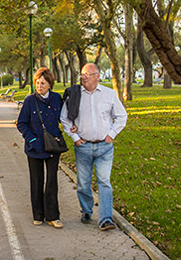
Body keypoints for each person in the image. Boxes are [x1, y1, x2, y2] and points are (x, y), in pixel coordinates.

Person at [60, 63, 128, 231]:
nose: (84, 77)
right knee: (83, 183)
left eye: (88, 74)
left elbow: (121, 116)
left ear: (97, 76)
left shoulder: (109, 94)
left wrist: (111, 135)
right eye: (82, 74)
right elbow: (65, 118)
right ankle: (86, 210)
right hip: (83, 146)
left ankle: (105, 219)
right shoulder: (74, 94)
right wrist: (75, 137)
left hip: (104, 147)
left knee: (104, 182)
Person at [16, 67, 65, 228]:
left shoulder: (57, 99)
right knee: (36, 181)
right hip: (34, 147)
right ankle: (38, 215)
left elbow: (64, 119)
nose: (39, 85)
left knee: (52, 181)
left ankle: (53, 215)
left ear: (50, 84)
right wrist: (32, 139)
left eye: (43, 83)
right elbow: (21, 123)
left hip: (52, 147)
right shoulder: (30, 101)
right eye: (37, 82)